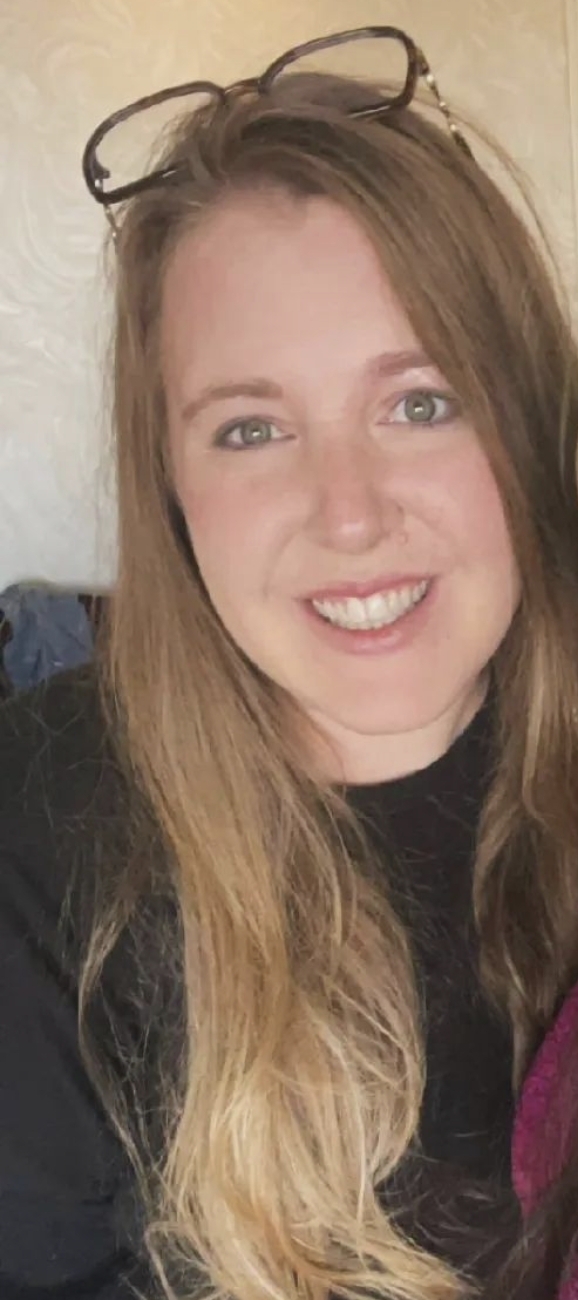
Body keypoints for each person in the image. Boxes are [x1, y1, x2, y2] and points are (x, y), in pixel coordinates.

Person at [1, 23, 578, 1300]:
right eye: (251, 429)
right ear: (171, 484)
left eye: (419, 402)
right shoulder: (35, 835)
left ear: (526, 419)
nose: (349, 514)